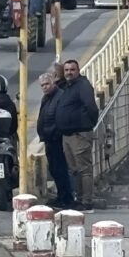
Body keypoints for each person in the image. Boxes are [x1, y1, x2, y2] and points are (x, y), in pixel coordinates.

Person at [55, 59, 99, 212]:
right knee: (74, 169)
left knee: (84, 169)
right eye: (66, 70)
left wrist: (88, 124)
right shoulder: (68, 86)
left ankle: (87, 201)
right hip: (67, 135)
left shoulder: (83, 85)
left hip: (79, 134)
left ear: (78, 70)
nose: (69, 72)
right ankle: (78, 198)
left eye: (72, 69)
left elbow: (91, 107)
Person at [37, 72, 74, 209]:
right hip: (49, 139)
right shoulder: (46, 98)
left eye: (47, 84)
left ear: (53, 83)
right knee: (55, 170)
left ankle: (66, 197)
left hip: (56, 139)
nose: (45, 87)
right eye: (42, 85)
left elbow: (61, 118)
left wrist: (55, 134)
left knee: (61, 170)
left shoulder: (60, 96)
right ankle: (61, 196)